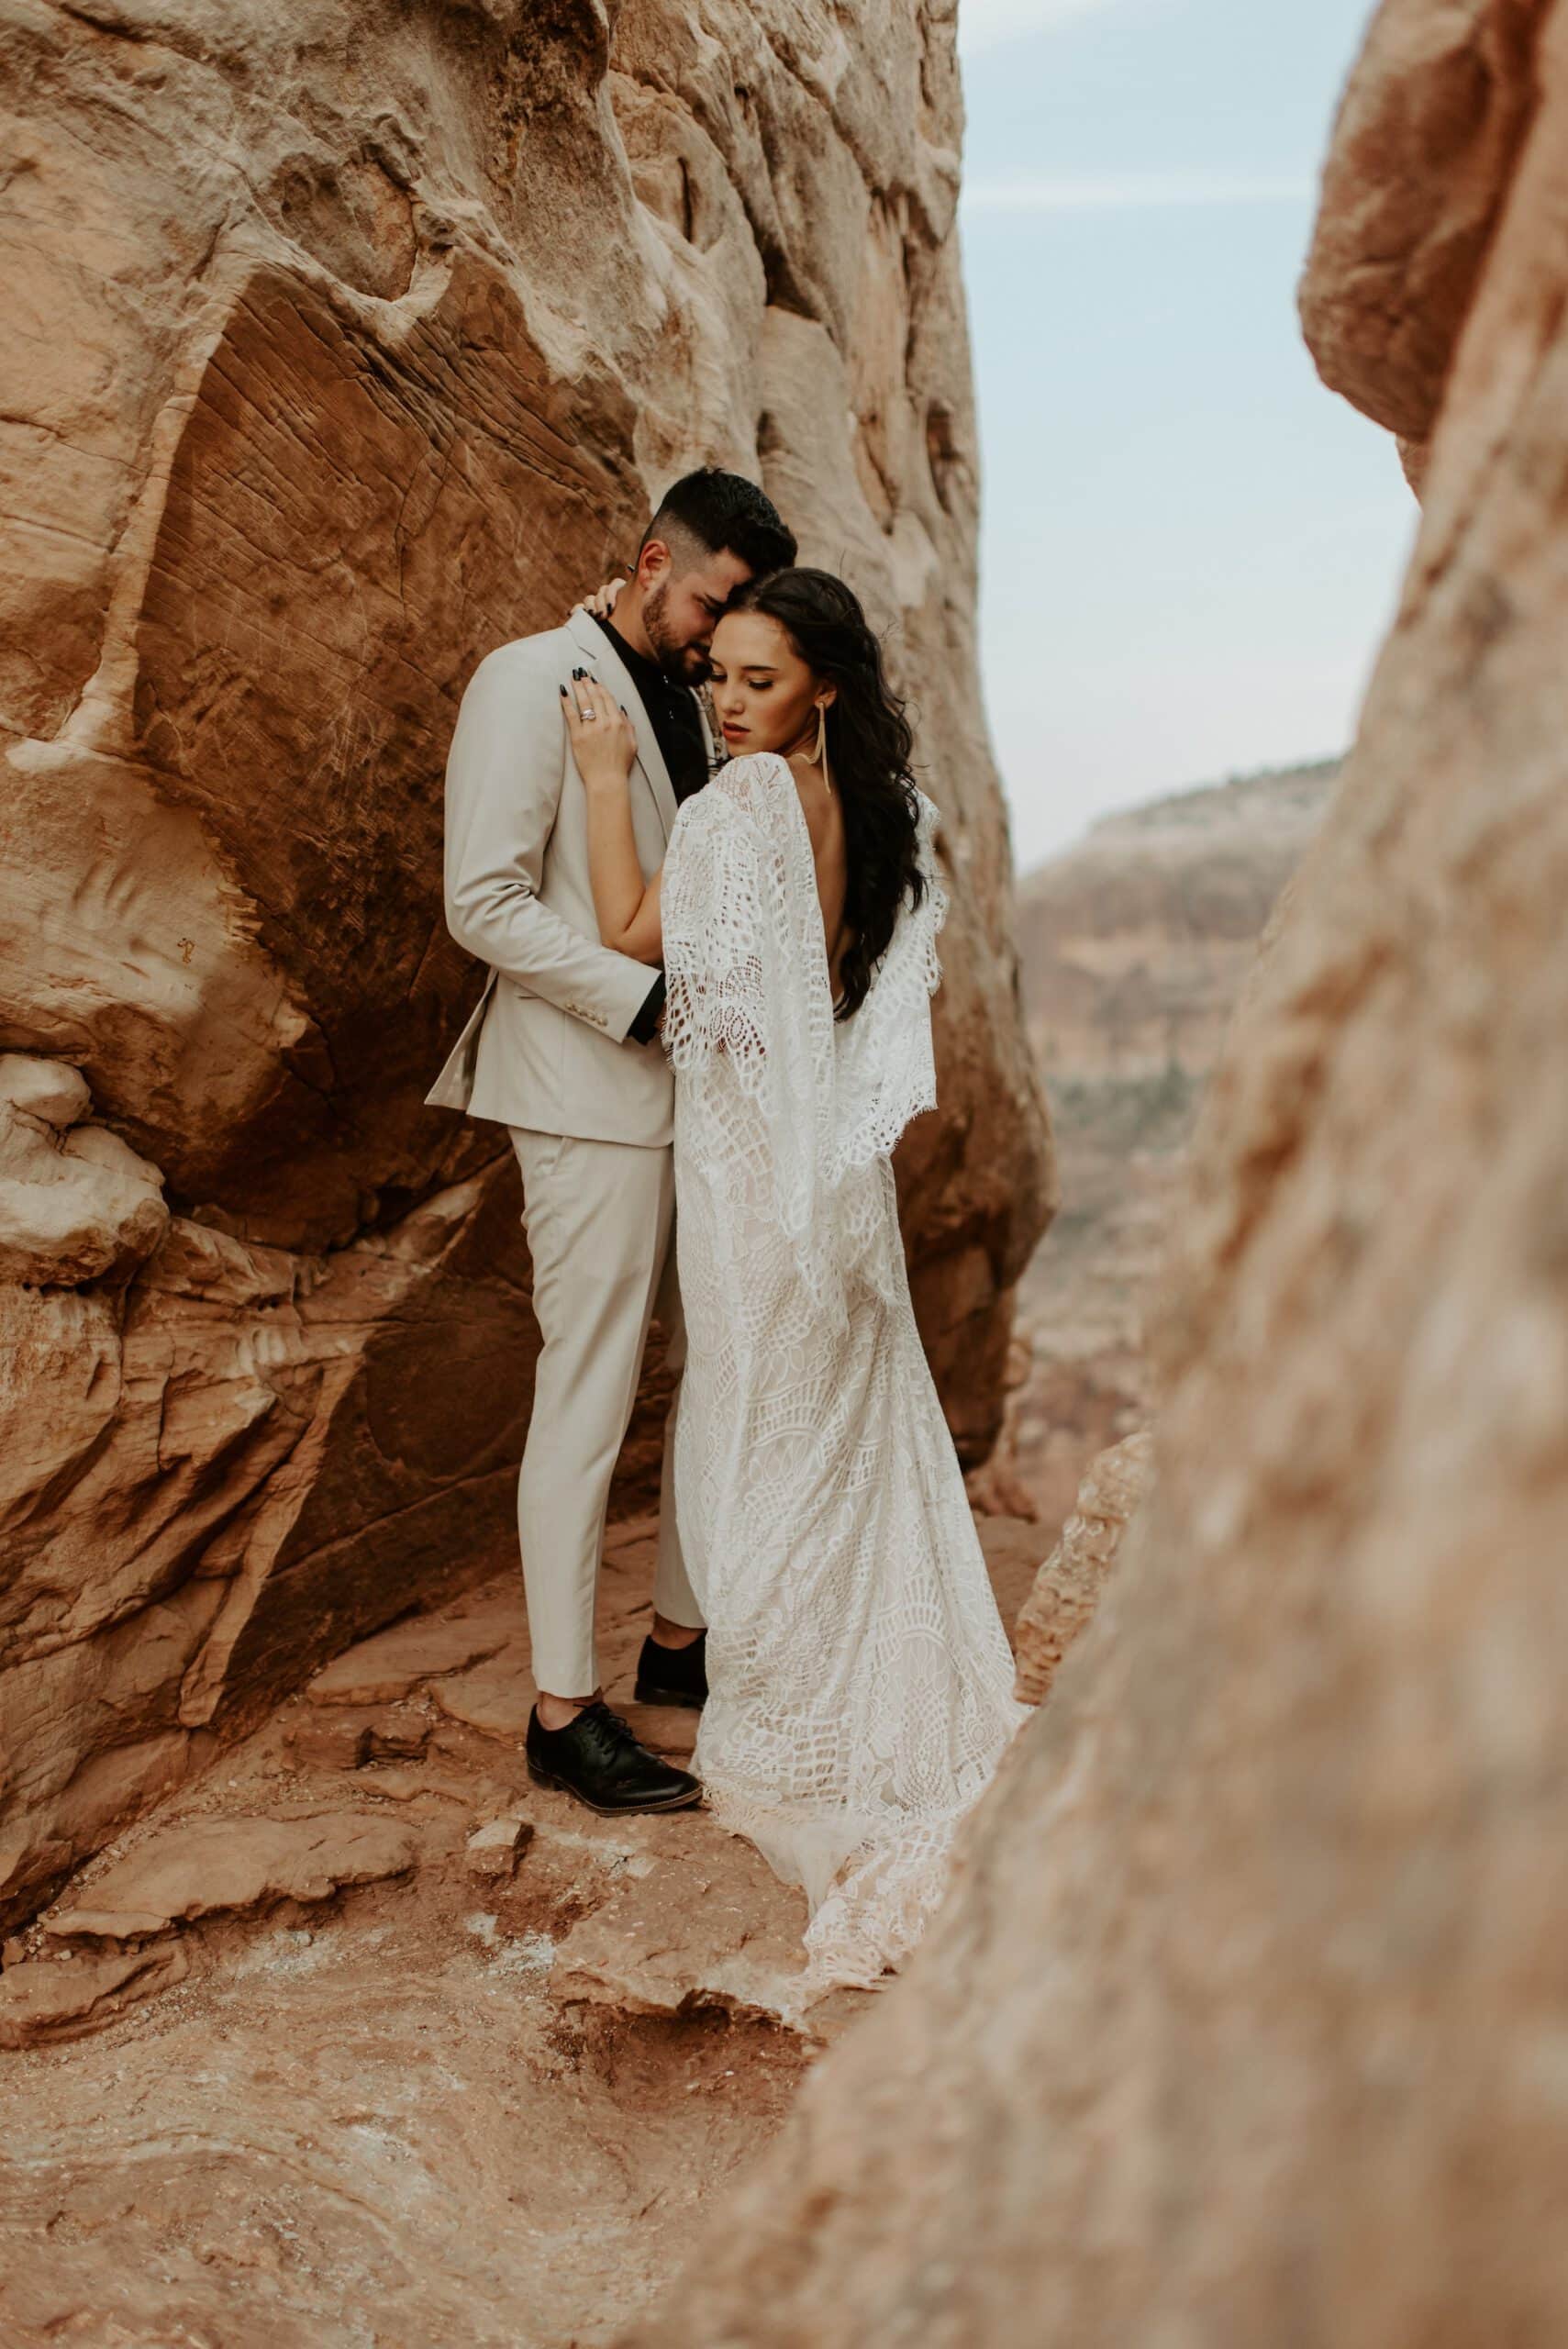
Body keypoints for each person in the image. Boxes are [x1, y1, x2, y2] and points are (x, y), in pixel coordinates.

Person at [562, 567, 1028, 2000]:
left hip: (751, 1169)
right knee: (837, 1434)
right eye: (719, 675)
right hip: (833, 1172)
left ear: (822, 685)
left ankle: (787, 1702)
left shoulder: (744, 804)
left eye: (759, 680)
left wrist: (603, 775)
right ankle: (850, 1672)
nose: (728, 701)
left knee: (759, 1421)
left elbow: (629, 929)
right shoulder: (883, 811)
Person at [425, 469, 797, 1816]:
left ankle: (676, 1651)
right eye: (711, 601)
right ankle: (562, 1712)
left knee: (718, 1368)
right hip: (586, 1093)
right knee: (587, 1389)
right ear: (651, 564)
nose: (720, 633)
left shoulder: (699, 703)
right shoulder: (526, 679)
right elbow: (482, 901)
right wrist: (639, 1004)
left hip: (705, 1103)